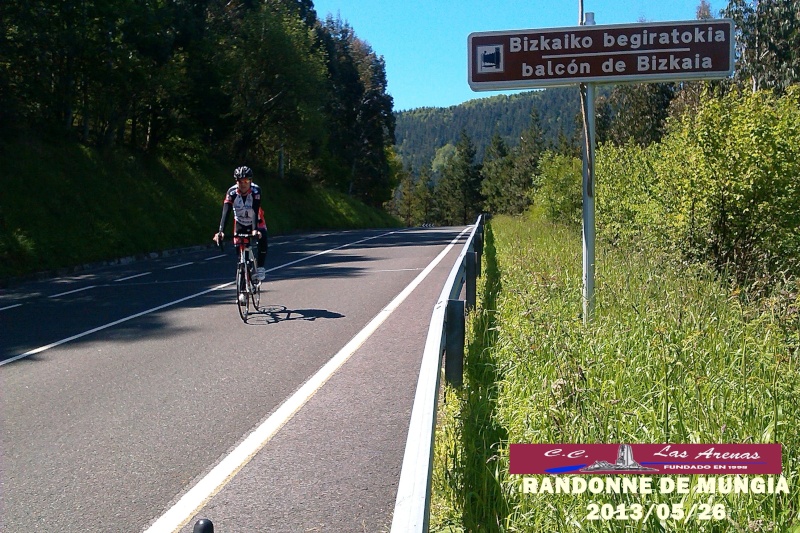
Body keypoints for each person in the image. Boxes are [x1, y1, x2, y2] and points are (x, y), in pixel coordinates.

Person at [213, 166, 268, 282]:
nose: (243, 184)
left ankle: (260, 268)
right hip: (240, 223)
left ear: (250, 181)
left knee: (262, 238)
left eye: (246, 181)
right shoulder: (231, 192)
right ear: (236, 181)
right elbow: (226, 212)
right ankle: (244, 280)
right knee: (241, 254)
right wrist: (221, 231)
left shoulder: (256, 191)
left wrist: (254, 229)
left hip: (256, 222)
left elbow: (254, 209)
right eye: (240, 181)